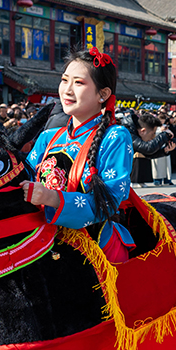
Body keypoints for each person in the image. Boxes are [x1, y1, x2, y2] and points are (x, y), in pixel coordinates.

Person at [23, 48, 134, 265]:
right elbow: (23, 177)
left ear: (103, 94)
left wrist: (51, 198)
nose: (67, 90)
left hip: (95, 246)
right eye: (65, 80)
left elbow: (109, 202)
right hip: (42, 238)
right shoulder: (48, 138)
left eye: (79, 83)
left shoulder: (115, 137)